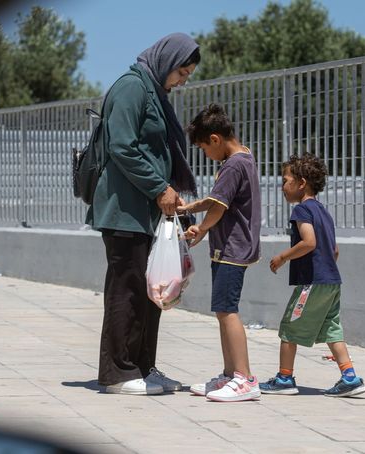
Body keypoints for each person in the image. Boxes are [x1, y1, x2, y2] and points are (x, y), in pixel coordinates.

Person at [86, 33, 200, 395]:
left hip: (146, 212)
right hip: (125, 210)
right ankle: (118, 372)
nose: (182, 81)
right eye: (181, 72)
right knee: (128, 290)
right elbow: (123, 145)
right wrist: (158, 187)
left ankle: (142, 367)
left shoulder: (153, 91)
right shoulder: (131, 88)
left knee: (152, 292)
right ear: (167, 61)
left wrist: (171, 198)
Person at [260, 153, 365, 397]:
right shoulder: (323, 212)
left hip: (312, 284)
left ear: (301, 183)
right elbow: (334, 249)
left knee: (289, 328)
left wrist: (283, 257)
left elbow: (309, 242)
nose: (282, 187)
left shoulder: (301, 210)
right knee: (331, 328)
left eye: (285, 180)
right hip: (331, 282)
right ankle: (349, 376)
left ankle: (284, 379)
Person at [178, 104, 261, 402]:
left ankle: (245, 379)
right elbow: (217, 198)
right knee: (222, 310)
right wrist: (188, 208)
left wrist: (200, 229)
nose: (204, 154)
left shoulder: (232, 165)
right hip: (230, 248)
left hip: (232, 249)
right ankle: (230, 375)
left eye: (203, 148)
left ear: (215, 139)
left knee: (228, 311)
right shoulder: (244, 157)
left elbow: (219, 207)